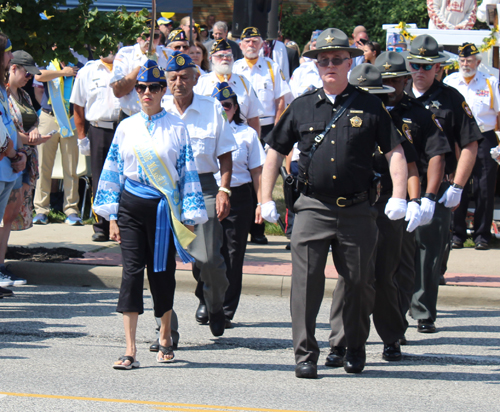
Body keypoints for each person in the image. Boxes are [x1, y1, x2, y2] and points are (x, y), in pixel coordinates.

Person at [260, 28, 408, 379]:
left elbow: (396, 150)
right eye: (323, 60)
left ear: (349, 62)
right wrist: (264, 198)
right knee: (305, 284)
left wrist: (400, 194)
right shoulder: (302, 105)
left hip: (357, 209)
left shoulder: (369, 105)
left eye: (337, 59)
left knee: (359, 283)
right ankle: (305, 355)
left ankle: (354, 347)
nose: (330, 65)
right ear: (316, 65)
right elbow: (275, 151)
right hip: (313, 206)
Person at [93, 59, 207, 369]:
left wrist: (188, 215)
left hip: (162, 209)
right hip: (130, 206)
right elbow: (113, 170)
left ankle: (166, 335)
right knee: (131, 273)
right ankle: (129, 348)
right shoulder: (127, 127)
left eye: (154, 87)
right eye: (141, 87)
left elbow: (187, 174)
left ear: (162, 90)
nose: (146, 93)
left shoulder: (177, 127)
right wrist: (112, 216)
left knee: (161, 274)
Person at [371, 52, 450, 359]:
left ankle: (396, 323)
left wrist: (424, 199)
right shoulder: (364, 108)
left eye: (394, 80)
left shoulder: (418, 114)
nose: (389, 86)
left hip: (402, 199)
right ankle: (358, 328)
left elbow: (434, 155)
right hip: (366, 198)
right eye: (384, 80)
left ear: (405, 80)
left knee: (401, 269)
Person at [403, 34, 482, 333]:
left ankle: (423, 311)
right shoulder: (397, 95)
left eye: (427, 65)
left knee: (429, 251)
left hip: (437, 185)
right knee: (398, 249)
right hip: (399, 185)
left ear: (438, 67)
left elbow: (471, 143)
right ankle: (396, 308)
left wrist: (459, 186)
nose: (419, 71)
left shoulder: (450, 99)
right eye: (415, 64)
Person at [162, 51, 236, 336]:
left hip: (204, 186)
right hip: (168, 189)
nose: (178, 83)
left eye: (184, 77)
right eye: (173, 78)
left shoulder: (211, 108)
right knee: (161, 262)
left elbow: (226, 154)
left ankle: (215, 305)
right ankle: (166, 329)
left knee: (208, 260)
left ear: (195, 78)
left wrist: (223, 190)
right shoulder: (160, 108)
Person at [197, 82, 266, 327]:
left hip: (238, 197)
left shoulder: (247, 134)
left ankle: (225, 309)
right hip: (207, 193)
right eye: (218, 105)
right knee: (204, 252)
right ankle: (205, 299)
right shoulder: (202, 128)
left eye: (227, 105)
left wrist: (261, 202)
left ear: (235, 108)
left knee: (233, 255)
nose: (222, 109)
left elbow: (257, 171)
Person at [233, 26, 290, 245]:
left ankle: (258, 230)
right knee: (243, 177)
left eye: (255, 41)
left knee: (262, 178)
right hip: (240, 126)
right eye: (247, 42)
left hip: (266, 128)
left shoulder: (272, 67)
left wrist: (276, 132)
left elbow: (281, 101)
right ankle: (240, 225)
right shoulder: (235, 68)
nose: (251, 45)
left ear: (262, 45)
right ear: (241, 46)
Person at [443, 43, 500, 250]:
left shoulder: (489, 82)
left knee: (485, 187)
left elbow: (499, 114)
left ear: (478, 62)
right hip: (459, 137)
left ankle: (482, 236)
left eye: (469, 60)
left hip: (485, 137)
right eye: (462, 60)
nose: (465, 64)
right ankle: (456, 234)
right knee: (459, 184)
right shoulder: (450, 81)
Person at [0, 51, 49, 288]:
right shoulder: (4, 94)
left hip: (22, 161)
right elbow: (7, 130)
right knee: (3, 218)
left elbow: (32, 120)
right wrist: (28, 141)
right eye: (26, 71)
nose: (30, 77)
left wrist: (36, 132)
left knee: (8, 218)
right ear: (13, 68)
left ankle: (1, 264)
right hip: (9, 159)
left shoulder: (24, 95)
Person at [70, 52, 121, 242]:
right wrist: (82, 137)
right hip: (99, 129)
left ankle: (122, 224)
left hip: (123, 127)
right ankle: (101, 225)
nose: (110, 49)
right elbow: (78, 106)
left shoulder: (125, 66)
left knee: (124, 177)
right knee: (100, 180)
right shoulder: (87, 71)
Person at [32, 50, 83, 226]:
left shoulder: (78, 62)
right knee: (43, 166)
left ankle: (71, 209)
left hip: (70, 120)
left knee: (71, 167)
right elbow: (39, 76)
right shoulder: (47, 61)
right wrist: (63, 73)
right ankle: (41, 209)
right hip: (48, 116)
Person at [0, 35, 28, 295]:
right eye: (8, 54)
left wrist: (20, 153)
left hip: (8, 166)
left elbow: (9, 127)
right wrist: (13, 154)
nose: (11, 59)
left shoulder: (1, 89)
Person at [194, 39, 263, 136]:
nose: (225, 59)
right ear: (211, 58)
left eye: (228, 56)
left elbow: (253, 118)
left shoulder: (243, 82)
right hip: (210, 137)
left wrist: (255, 144)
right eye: (220, 56)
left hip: (239, 138)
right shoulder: (202, 82)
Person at [110, 24, 169, 120]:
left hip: (161, 117)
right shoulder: (126, 54)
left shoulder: (167, 54)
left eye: (155, 36)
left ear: (160, 37)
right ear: (137, 38)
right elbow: (118, 91)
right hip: (131, 116)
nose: (149, 40)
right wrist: (142, 66)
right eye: (145, 35)